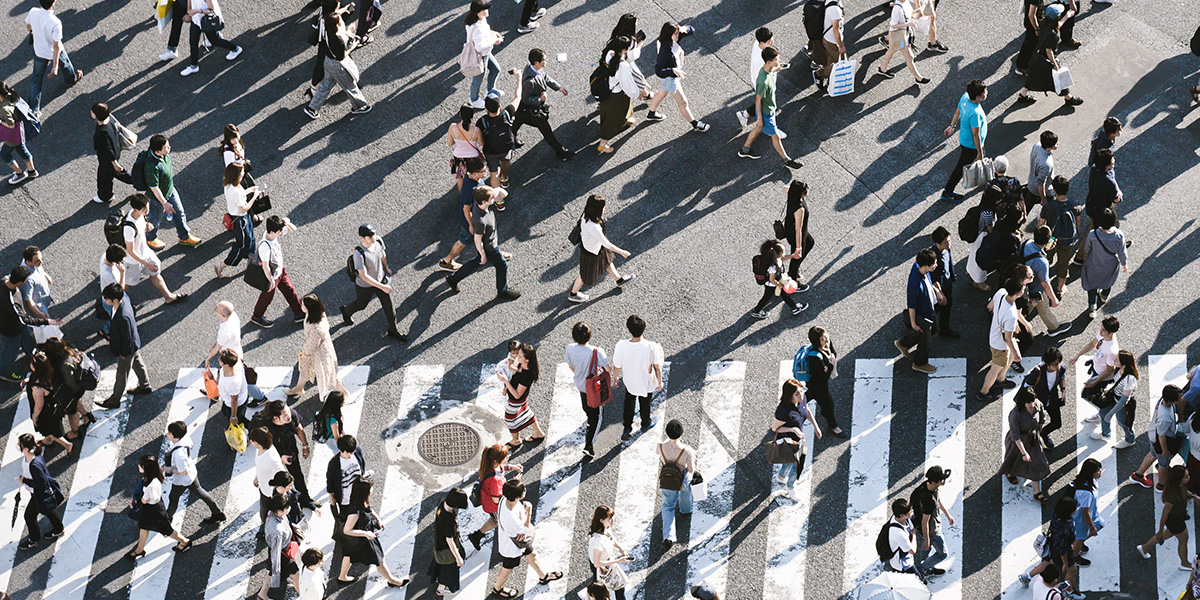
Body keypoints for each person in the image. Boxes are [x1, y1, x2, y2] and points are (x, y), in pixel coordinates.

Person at [444, 185, 521, 300]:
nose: (494, 199)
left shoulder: (480, 203)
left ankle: (453, 279)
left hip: (489, 244)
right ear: (485, 201)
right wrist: (483, 254)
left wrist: (496, 191)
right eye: (492, 198)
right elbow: (477, 239)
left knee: (476, 262)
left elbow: (504, 194)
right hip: (490, 248)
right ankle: (502, 292)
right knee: (502, 265)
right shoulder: (480, 220)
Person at [337, 477, 411, 587]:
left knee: (349, 555)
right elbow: (347, 530)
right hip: (363, 538)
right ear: (365, 492)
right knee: (379, 559)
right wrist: (366, 534)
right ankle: (393, 581)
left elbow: (368, 509)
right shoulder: (355, 511)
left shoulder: (358, 500)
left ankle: (342, 577)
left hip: (355, 539)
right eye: (370, 488)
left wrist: (378, 519)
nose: (373, 489)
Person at [493, 479, 562, 598]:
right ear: (517, 497)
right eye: (523, 490)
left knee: (532, 554)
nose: (525, 490)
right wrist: (528, 512)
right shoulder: (510, 516)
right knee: (507, 569)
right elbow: (524, 530)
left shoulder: (505, 499)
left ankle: (543, 576)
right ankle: (497, 589)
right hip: (512, 547)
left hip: (518, 541)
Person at [305, 0, 371, 119]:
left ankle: (312, 108)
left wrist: (345, 10)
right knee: (349, 86)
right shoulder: (338, 40)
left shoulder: (325, 20)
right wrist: (354, 41)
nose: (342, 22)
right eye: (340, 22)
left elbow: (334, 15)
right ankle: (359, 106)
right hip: (337, 65)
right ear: (336, 26)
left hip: (328, 62)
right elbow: (342, 55)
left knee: (326, 85)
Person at [340, 224, 407, 341]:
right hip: (365, 285)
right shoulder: (359, 253)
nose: (373, 238)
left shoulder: (378, 241)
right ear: (362, 238)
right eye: (369, 237)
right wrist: (382, 286)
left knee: (389, 306)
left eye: (374, 235)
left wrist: (386, 268)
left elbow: (382, 255)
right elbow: (364, 276)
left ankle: (393, 329)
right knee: (361, 305)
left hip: (380, 279)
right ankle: (346, 311)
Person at [738, 47, 802, 169]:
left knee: (758, 129)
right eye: (776, 60)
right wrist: (760, 118)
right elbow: (757, 100)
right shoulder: (763, 82)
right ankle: (787, 160)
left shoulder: (769, 69)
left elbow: (772, 71)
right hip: (766, 112)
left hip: (770, 110)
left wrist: (779, 68)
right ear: (768, 62)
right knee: (775, 136)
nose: (778, 61)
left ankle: (744, 150)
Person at [569, 194, 635, 303]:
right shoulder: (594, 227)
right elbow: (606, 243)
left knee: (607, 262)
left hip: (595, 248)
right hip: (591, 253)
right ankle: (573, 294)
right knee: (584, 274)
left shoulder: (586, 215)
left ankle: (619, 280)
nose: (604, 208)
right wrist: (622, 252)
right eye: (603, 207)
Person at [645, 22, 710, 131]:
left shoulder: (674, 38)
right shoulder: (664, 51)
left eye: (677, 33)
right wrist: (673, 70)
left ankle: (651, 113)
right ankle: (695, 124)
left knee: (662, 92)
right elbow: (659, 71)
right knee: (683, 102)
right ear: (669, 35)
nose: (678, 35)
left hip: (669, 76)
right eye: (675, 34)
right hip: (670, 78)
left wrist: (685, 28)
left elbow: (692, 30)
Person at [512, 49, 575, 160]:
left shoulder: (533, 69)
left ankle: (512, 140)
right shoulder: (529, 81)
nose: (547, 60)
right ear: (536, 62)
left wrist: (558, 88)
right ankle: (560, 151)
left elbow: (545, 77)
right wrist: (540, 99)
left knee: (516, 123)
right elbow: (525, 98)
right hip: (530, 111)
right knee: (546, 131)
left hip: (522, 110)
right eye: (544, 60)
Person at [1015, 4, 1083, 107]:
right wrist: (1055, 64)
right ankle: (1069, 98)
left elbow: (1057, 26)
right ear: (1057, 17)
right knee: (1059, 78)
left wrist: (1067, 16)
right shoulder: (1053, 35)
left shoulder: (1044, 23)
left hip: (1036, 57)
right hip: (1045, 61)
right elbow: (1049, 51)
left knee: (1033, 77)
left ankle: (1022, 96)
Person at [126, 455, 192, 559]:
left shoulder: (150, 485)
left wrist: (136, 502)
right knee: (144, 526)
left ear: (146, 468)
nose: (138, 466)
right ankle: (139, 549)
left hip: (153, 511)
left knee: (167, 530)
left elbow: (144, 500)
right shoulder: (153, 477)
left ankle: (184, 541)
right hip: (152, 507)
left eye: (141, 465)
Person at [25, 0, 83, 116]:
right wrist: (54, 66)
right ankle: (70, 79)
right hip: (53, 51)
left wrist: (33, 32)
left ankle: (34, 111)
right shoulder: (55, 22)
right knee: (65, 63)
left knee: (36, 79)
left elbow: (28, 25)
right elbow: (56, 46)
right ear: (54, 2)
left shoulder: (33, 12)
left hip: (39, 51)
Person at [142, 135, 202, 249]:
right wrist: (164, 203)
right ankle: (150, 239)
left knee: (179, 213)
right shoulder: (152, 166)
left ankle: (184, 236)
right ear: (158, 151)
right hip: (157, 198)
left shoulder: (163, 154)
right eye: (166, 147)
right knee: (154, 220)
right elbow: (154, 187)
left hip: (170, 190)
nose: (169, 147)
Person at [287, 294, 350, 400]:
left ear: (309, 308)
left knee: (329, 374)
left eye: (303, 305)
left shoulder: (317, 327)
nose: (301, 306)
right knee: (304, 368)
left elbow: (312, 344)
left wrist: (305, 355)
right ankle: (299, 388)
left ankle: (343, 392)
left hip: (320, 354)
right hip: (318, 349)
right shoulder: (317, 314)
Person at [99, 283, 151, 409]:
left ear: (115, 300)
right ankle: (145, 385)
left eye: (106, 298)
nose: (104, 300)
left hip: (126, 348)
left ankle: (115, 400)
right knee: (137, 362)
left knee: (122, 374)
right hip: (133, 344)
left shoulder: (123, 316)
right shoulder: (124, 301)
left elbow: (126, 338)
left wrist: (123, 353)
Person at [1136, 464, 1197, 570]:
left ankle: (1144, 548)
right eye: (1186, 476)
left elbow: (1184, 491)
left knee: (1166, 535)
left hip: (1177, 518)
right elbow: (1165, 514)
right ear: (1179, 480)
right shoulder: (1172, 495)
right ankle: (1185, 563)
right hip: (1175, 520)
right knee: (1183, 539)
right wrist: (1159, 530)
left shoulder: (1179, 486)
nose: (1189, 477)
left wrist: (1193, 496)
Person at [612, 315, 664, 440]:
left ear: (629, 330)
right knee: (645, 404)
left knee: (629, 403)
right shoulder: (651, 346)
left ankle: (627, 428)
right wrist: (660, 382)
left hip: (630, 382)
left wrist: (615, 378)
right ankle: (645, 423)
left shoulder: (621, 345)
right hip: (646, 383)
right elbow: (657, 366)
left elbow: (616, 366)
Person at [0, 267, 55, 383]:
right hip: (11, 330)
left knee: (27, 341)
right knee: (11, 352)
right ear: (22, 282)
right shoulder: (11, 300)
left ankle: (36, 358)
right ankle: (4, 372)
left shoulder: (4, 280)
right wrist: (47, 321)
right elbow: (24, 319)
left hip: (16, 325)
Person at [1020, 496, 1082, 598]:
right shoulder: (1066, 527)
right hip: (1063, 551)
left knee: (1049, 563)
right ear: (1069, 511)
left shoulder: (1056, 515)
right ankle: (1069, 592)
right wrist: (1065, 564)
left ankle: (1027, 576)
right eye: (1074, 508)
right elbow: (1063, 548)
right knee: (1072, 570)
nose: (1076, 509)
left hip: (1053, 545)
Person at [163, 421, 225, 522]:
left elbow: (183, 471)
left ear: (176, 437)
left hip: (182, 480)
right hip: (192, 474)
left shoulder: (179, 454)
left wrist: (169, 469)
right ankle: (217, 513)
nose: (167, 434)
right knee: (200, 492)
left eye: (170, 433)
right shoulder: (185, 439)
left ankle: (167, 519)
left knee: (173, 498)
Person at [771, 379, 821, 502]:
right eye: (797, 394)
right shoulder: (783, 411)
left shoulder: (802, 399)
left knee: (794, 463)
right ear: (789, 395)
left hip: (798, 440)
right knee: (795, 464)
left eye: (801, 391)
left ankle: (781, 477)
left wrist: (816, 426)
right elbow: (775, 428)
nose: (801, 395)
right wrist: (793, 429)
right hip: (787, 441)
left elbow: (807, 410)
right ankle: (790, 486)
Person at [565, 321, 609, 459]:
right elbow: (607, 369)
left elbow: (571, 366)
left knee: (586, 405)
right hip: (594, 388)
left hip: (580, 384)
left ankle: (589, 416)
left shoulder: (570, 348)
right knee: (597, 416)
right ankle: (589, 444)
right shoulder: (596, 351)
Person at [466, 443, 523, 550]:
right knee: (503, 523)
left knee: (495, 521)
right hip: (495, 506)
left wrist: (511, 467)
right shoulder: (495, 480)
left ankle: (476, 535)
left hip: (489, 504)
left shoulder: (488, 467)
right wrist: (514, 484)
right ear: (495, 460)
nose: (507, 458)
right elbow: (497, 500)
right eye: (505, 457)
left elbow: (501, 468)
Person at [597, 36, 647, 154]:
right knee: (613, 118)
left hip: (608, 91)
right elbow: (627, 84)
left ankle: (625, 120)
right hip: (618, 95)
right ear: (624, 50)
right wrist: (637, 94)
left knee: (607, 112)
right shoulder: (622, 65)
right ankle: (602, 144)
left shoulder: (610, 54)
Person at [249, 215, 302, 328]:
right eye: (280, 231)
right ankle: (257, 317)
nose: (282, 233)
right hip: (273, 275)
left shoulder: (274, 234)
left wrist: (287, 223)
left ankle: (299, 313)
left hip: (280, 270)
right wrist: (271, 280)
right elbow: (265, 266)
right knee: (266, 298)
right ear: (272, 232)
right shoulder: (264, 246)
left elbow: (294, 229)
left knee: (289, 290)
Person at [940, 80, 988, 203]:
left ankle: (985, 174)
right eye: (984, 91)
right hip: (971, 145)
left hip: (965, 140)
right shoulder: (975, 113)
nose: (986, 92)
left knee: (964, 163)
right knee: (960, 169)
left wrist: (952, 126)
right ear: (978, 96)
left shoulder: (965, 97)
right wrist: (980, 151)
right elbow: (975, 134)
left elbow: (957, 111)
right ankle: (948, 191)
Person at [1131, 385, 1187, 491]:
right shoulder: (1165, 417)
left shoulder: (1163, 400)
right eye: (1178, 398)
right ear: (1171, 401)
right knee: (1163, 464)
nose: (1181, 399)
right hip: (1161, 442)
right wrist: (1165, 451)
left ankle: (1138, 475)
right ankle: (1161, 485)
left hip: (1153, 436)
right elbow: (1162, 436)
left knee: (1152, 454)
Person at [1000, 387, 1052, 502]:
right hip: (1018, 440)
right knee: (1013, 458)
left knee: (1038, 462)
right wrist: (1024, 453)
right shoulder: (1015, 414)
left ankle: (1036, 492)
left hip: (1032, 439)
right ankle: (1010, 472)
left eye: (1032, 401)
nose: (1031, 405)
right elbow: (1015, 435)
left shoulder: (1038, 405)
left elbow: (1041, 420)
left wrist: (1039, 431)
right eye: (1028, 402)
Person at [14, 433, 64, 550]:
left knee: (29, 516)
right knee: (48, 510)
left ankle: (34, 540)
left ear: (25, 449)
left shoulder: (33, 464)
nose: (17, 446)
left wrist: (25, 480)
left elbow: (41, 483)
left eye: (19, 444)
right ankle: (58, 529)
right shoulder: (33, 456)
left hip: (38, 493)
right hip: (38, 492)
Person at [736, 28, 788, 138]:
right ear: (762, 43)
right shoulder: (759, 60)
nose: (772, 42)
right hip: (764, 84)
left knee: (763, 103)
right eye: (769, 41)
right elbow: (762, 74)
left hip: (765, 82)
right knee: (768, 108)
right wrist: (777, 68)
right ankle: (773, 131)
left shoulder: (759, 45)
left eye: (772, 39)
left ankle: (745, 114)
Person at [213, 163, 263, 277]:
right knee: (242, 245)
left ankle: (252, 259)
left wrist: (250, 190)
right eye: (242, 172)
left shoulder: (229, 185)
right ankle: (221, 265)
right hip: (240, 220)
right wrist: (255, 196)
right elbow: (243, 209)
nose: (243, 173)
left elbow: (238, 197)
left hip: (239, 218)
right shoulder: (236, 191)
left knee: (250, 238)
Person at [40, 338, 95, 440]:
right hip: (79, 387)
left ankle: (75, 432)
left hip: (73, 390)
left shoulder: (64, 365)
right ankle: (86, 416)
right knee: (75, 403)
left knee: (72, 411)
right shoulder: (70, 351)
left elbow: (70, 384)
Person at [1020, 226, 1071, 336]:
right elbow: (1045, 284)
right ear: (1047, 241)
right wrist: (1054, 299)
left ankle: (1020, 318)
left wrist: (1044, 249)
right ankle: (1054, 328)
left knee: (1023, 306)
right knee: (1043, 307)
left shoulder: (1027, 243)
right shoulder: (1042, 262)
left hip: (1021, 282)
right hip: (1034, 289)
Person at [895, 249, 939, 374]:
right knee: (927, 340)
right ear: (925, 265)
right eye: (933, 264)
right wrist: (913, 324)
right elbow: (912, 306)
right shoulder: (915, 285)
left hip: (928, 309)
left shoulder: (918, 267)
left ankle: (903, 343)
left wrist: (936, 291)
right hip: (922, 315)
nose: (935, 265)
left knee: (934, 329)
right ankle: (919, 363)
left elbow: (928, 281)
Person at [439, 157, 487, 273]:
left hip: (479, 217)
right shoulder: (469, 189)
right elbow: (466, 209)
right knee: (464, 241)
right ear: (475, 173)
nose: (486, 172)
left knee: (486, 236)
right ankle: (446, 261)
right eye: (483, 171)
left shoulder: (474, 178)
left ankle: (493, 252)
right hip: (470, 221)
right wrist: (471, 225)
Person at [979, 278, 1023, 400]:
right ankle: (984, 392)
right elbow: (1008, 338)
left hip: (994, 335)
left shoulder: (1001, 292)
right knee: (994, 369)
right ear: (1017, 294)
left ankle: (1001, 379)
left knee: (1008, 358)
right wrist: (1016, 354)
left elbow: (990, 306)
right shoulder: (1011, 315)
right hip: (1000, 345)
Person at [249, 493, 299, 600]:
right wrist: (277, 572)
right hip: (282, 554)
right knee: (296, 575)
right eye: (287, 508)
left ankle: (262, 593)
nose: (289, 508)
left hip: (280, 549)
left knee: (272, 572)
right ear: (280, 511)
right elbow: (275, 554)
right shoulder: (277, 530)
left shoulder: (272, 513)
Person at [1078, 208, 1127, 319]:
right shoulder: (1119, 235)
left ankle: (1092, 307)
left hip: (1093, 264)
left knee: (1092, 284)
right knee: (1108, 281)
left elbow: (1086, 249)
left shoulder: (1093, 234)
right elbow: (1122, 252)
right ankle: (1104, 295)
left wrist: (1086, 256)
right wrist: (1124, 264)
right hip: (1110, 266)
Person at [1037, 176, 1080, 297]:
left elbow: (1041, 222)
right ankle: (1060, 290)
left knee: (1045, 258)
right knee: (1063, 263)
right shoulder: (1075, 205)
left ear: (1054, 190)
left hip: (1051, 238)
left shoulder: (1049, 206)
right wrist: (1076, 231)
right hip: (1068, 240)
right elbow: (1078, 221)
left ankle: (1041, 281)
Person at [498, 343, 545, 449]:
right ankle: (538, 433)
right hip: (522, 399)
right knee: (525, 412)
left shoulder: (527, 375)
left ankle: (515, 440)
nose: (516, 357)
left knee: (509, 419)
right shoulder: (523, 365)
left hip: (516, 400)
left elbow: (517, 394)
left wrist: (505, 381)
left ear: (527, 360)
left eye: (519, 356)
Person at [179, 0, 243, 77]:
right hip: (196, 19)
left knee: (215, 41)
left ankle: (235, 49)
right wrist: (188, 12)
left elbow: (212, 10)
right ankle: (193, 66)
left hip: (207, 20)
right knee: (193, 41)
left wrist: (197, 11)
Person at [1069, 315, 1120, 411]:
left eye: (1103, 330)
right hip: (1097, 365)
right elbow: (1093, 343)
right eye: (1101, 328)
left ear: (1111, 333)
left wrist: (1095, 382)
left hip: (1102, 375)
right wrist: (1077, 355)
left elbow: (1110, 370)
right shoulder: (1104, 334)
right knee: (1091, 394)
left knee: (1086, 395)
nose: (1100, 332)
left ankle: (1103, 410)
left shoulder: (1111, 351)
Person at [803, 326, 846, 437]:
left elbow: (834, 353)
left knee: (805, 397)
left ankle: (790, 407)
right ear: (817, 341)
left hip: (817, 382)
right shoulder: (815, 358)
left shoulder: (826, 342)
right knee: (828, 404)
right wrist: (830, 366)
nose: (826, 340)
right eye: (823, 339)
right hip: (817, 384)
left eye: (826, 336)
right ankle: (833, 426)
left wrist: (828, 365)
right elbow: (823, 376)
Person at [910, 466, 954, 576]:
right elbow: (925, 522)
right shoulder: (928, 501)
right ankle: (921, 570)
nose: (944, 481)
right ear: (934, 482)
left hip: (920, 527)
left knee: (923, 554)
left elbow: (937, 499)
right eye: (941, 479)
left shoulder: (925, 486)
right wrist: (927, 540)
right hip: (932, 531)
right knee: (942, 553)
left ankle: (927, 568)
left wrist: (948, 515)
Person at [659, 419, 696, 549]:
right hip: (682, 477)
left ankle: (668, 536)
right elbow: (691, 470)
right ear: (681, 434)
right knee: (685, 495)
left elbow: (660, 455)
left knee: (668, 505)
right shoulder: (687, 451)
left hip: (668, 478)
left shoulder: (661, 446)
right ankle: (685, 510)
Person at [876, 0, 931, 83]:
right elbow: (893, 25)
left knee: (891, 51)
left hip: (902, 35)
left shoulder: (905, 3)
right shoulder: (897, 8)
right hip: (899, 37)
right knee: (909, 57)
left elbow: (906, 16)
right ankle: (918, 78)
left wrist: (914, 13)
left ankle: (882, 69)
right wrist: (909, 24)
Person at [750, 239, 806, 319]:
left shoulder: (775, 259)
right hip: (772, 285)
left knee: (781, 295)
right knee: (767, 297)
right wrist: (780, 285)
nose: (784, 253)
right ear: (777, 254)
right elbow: (771, 279)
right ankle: (756, 311)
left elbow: (782, 259)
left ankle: (794, 308)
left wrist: (792, 256)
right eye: (783, 252)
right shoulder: (772, 266)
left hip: (775, 283)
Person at [1092, 350, 1137, 447]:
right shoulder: (1119, 370)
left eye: (1117, 359)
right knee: (1103, 413)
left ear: (1124, 364)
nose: (1114, 360)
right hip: (1113, 397)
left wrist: (1111, 413)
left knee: (1124, 423)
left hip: (1123, 405)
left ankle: (1130, 440)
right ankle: (1106, 433)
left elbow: (1124, 400)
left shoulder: (1129, 379)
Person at [1024, 347, 1067, 449]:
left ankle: (1043, 434)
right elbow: (1027, 385)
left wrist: (1063, 390)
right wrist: (1032, 400)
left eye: (1059, 363)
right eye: (1055, 364)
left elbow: (1062, 378)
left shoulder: (1061, 368)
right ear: (1047, 363)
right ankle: (1032, 441)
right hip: (1038, 401)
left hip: (1052, 399)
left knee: (1057, 423)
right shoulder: (1038, 371)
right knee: (1035, 424)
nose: (1058, 366)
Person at [91, 102, 133, 203]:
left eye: (93, 111)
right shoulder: (109, 121)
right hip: (115, 152)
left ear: (96, 115)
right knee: (114, 172)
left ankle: (105, 196)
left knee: (104, 178)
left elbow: (107, 149)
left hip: (108, 159)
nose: (91, 112)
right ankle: (137, 181)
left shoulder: (102, 132)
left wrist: (114, 163)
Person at [26, 353, 69, 453]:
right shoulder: (49, 371)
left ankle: (67, 445)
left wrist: (35, 416)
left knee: (49, 430)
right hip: (53, 406)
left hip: (45, 412)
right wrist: (28, 380)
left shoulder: (38, 386)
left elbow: (39, 404)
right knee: (49, 429)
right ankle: (47, 440)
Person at [464, 0, 503, 109]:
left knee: (496, 69)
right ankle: (474, 99)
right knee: (477, 81)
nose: (487, 11)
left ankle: (490, 90)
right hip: (480, 57)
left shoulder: (479, 20)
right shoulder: (477, 28)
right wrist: (493, 41)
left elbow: (485, 32)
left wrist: (493, 34)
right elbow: (479, 47)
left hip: (486, 54)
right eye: (484, 9)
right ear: (478, 12)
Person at [431, 488, 469, 596]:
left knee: (442, 567)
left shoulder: (443, 503)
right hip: (446, 550)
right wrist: (458, 558)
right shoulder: (449, 521)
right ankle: (441, 588)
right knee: (448, 570)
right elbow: (450, 541)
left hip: (439, 542)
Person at [589, 506, 633, 599]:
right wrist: (619, 560)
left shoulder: (606, 528)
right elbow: (597, 564)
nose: (613, 520)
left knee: (618, 586)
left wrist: (622, 550)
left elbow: (612, 539)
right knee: (603, 591)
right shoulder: (598, 541)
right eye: (610, 518)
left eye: (613, 517)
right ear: (601, 520)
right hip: (601, 566)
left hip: (606, 561)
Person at [1070, 458, 1104, 566]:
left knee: (1100, 524)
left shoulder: (1090, 481)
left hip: (1092, 513)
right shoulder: (1085, 492)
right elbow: (1085, 512)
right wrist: (1092, 528)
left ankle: (1077, 544)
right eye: (1097, 470)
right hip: (1081, 519)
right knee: (1081, 536)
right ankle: (1074, 555)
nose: (1100, 472)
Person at [782, 181, 815, 287]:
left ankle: (793, 272)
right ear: (801, 194)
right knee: (796, 258)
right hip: (796, 234)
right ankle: (793, 283)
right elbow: (798, 230)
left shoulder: (791, 193)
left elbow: (784, 188)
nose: (808, 191)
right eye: (806, 190)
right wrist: (798, 249)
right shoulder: (799, 208)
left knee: (810, 243)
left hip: (792, 230)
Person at [249, 426, 286, 523]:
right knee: (264, 509)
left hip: (270, 493)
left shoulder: (271, 458)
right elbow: (259, 465)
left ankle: (266, 526)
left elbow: (283, 476)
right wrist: (257, 477)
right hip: (263, 487)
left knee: (266, 512)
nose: (250, 442)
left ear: (258, 442)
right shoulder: (259, 449)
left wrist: (280, 492)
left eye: (252, 440)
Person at [326, 434, 366, 522]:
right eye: (348, 452)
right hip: (345, 499)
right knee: (347, 520)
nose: (351, 455)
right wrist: (331, 497)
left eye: (352, 452)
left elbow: (362, 465)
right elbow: (330, 481)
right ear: (341, 450)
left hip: (358, 495)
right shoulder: (334, 463)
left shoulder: (357, 451)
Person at [882, 498, 925, 580]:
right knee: (918, 580)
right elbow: (912, 551)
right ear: (902, 515)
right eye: (910, 511)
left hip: (904, 557)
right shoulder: (898, 533)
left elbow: (911, 528)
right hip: (903, 564)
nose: (912, 512)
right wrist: (914, 536)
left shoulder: (901, 519)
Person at [216, 348, 259, 428]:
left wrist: (233, 416)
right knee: (224, 411)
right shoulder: (236, 362)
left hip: (236, 403)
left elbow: (234, 400)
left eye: (221, 359)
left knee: (238, 420)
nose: (218, 359)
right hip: (229, 400)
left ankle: (252, 428)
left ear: (227, 365)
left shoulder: (232, 382)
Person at [928, 226, 958, 338]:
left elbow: (949, 262)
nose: (949, 244)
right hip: (939, 289)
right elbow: (933, 279)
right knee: (938, 307)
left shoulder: (946, 250)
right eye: (946, 242)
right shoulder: (933, 257)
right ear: (937, 243)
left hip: (947, 283)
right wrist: (941, 294)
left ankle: (944, 328)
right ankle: (943, 330)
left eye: (949, 241)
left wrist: (952, 276)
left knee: (946, 306)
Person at [448, 105, 483, 192]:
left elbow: (450, 143)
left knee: (461, 179)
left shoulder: (453, 127)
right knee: (474, 178)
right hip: (473, 158)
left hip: (459, 157)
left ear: (460, 114)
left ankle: (463, 198)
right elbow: (482, 143)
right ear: (472, 115)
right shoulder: (476, 130)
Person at [203, 301, 243, 368]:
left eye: (217, 308)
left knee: (226, 372)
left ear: (223, 315)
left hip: (229, 357)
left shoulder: (226, 332)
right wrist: (215, 343)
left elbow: (217, 347)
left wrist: (208, 358)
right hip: (236, 349)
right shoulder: (233, 316)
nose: (215, 308)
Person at [817, 0, 845, 87]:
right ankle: (819, 74)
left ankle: (830, 80)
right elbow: (836, 30)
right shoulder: (835, 10)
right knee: (839, 63)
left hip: (828, 38)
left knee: (832, 59)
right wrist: (841, 46)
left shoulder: (830, 1)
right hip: (832, 41)